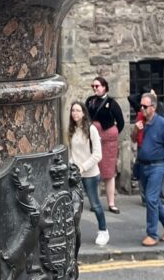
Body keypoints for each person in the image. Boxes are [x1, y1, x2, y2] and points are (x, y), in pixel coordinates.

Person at [133, 93, 164, 246]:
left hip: (157, 165)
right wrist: (135, 130)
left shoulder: (163, 124)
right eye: (141, 106)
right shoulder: (141, 122)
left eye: (145, 106)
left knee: (150, 199)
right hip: (143, 165)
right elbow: (133, 139)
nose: (142, 109)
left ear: (153, 107)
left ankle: (152, 234)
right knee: (154, 200)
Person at [67, 101, 109, 246]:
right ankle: (71, 234)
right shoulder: (72, 129)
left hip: (90, 173)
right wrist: (72, 165)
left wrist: (82, 167)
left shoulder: (92, 129)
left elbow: (98, 155)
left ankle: (103, 231)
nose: (75, 113)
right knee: (73, 205)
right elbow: (72, 152)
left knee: (95, 204)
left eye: (78, 110)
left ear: (84, 113)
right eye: (73, 111)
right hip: (75, 173)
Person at [85, 76, 125, 213]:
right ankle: (95, 203)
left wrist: (111, 134)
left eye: (97, 86)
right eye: (93, 86)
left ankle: (111, 203)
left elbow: (120, 122)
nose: (95, 88)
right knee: (94, 171)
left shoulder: (112, 103)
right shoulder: (90, 101)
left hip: (108, 142)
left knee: (108, 173)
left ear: (104, 87)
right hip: (93, 139)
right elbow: (86, 118)